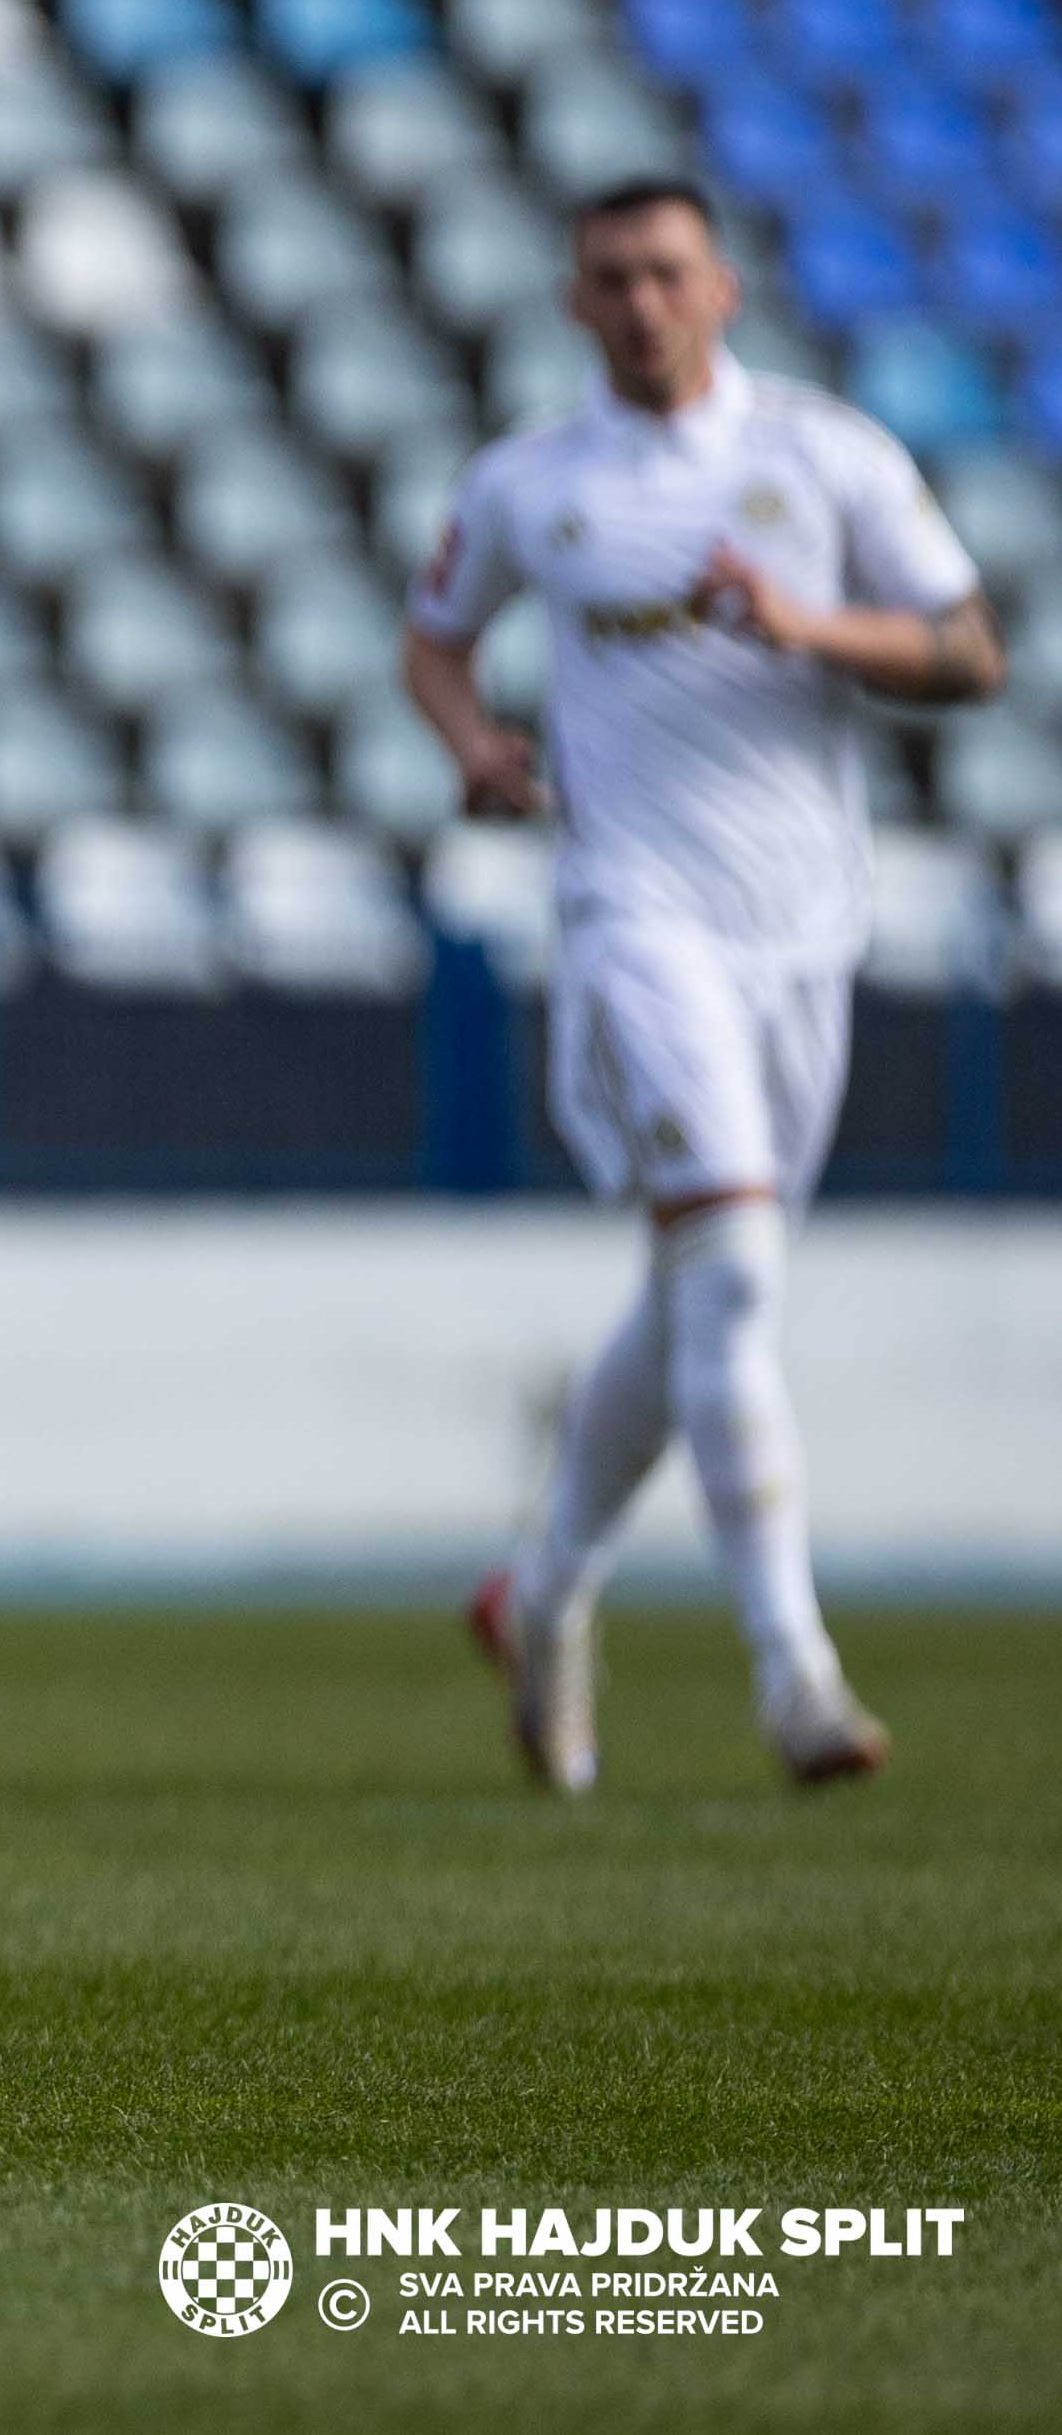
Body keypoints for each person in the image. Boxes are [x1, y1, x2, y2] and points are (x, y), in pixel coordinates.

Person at [404, 178, 1002, 1792]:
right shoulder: (537, 483)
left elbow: (971, 652)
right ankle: (793, 1672)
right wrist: (474, 747)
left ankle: (539, 1597)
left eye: (667, 272)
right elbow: (434, 637)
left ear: (724, 286)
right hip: (632, 916)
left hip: (806, 932)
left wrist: (814, 626)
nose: (643, 302)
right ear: (574, 302)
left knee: (698, 1295)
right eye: (611, 278)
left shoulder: (826, 459)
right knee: (732, 1268)